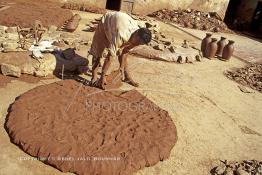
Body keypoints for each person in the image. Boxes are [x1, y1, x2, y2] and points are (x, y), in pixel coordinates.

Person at [89, 11, 152, 89]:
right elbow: (110, 56)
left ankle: (126, 76)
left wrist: (121, 68)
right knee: (97, 51)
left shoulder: (137, 37)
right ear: (136, 33)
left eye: (139, 44)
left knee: (123, 50)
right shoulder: (121, 35)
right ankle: (94, 78)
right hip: (106, 21)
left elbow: (125, 51)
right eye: (137, 42)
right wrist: (103, 76)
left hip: (120, 22)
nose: (137, 44)